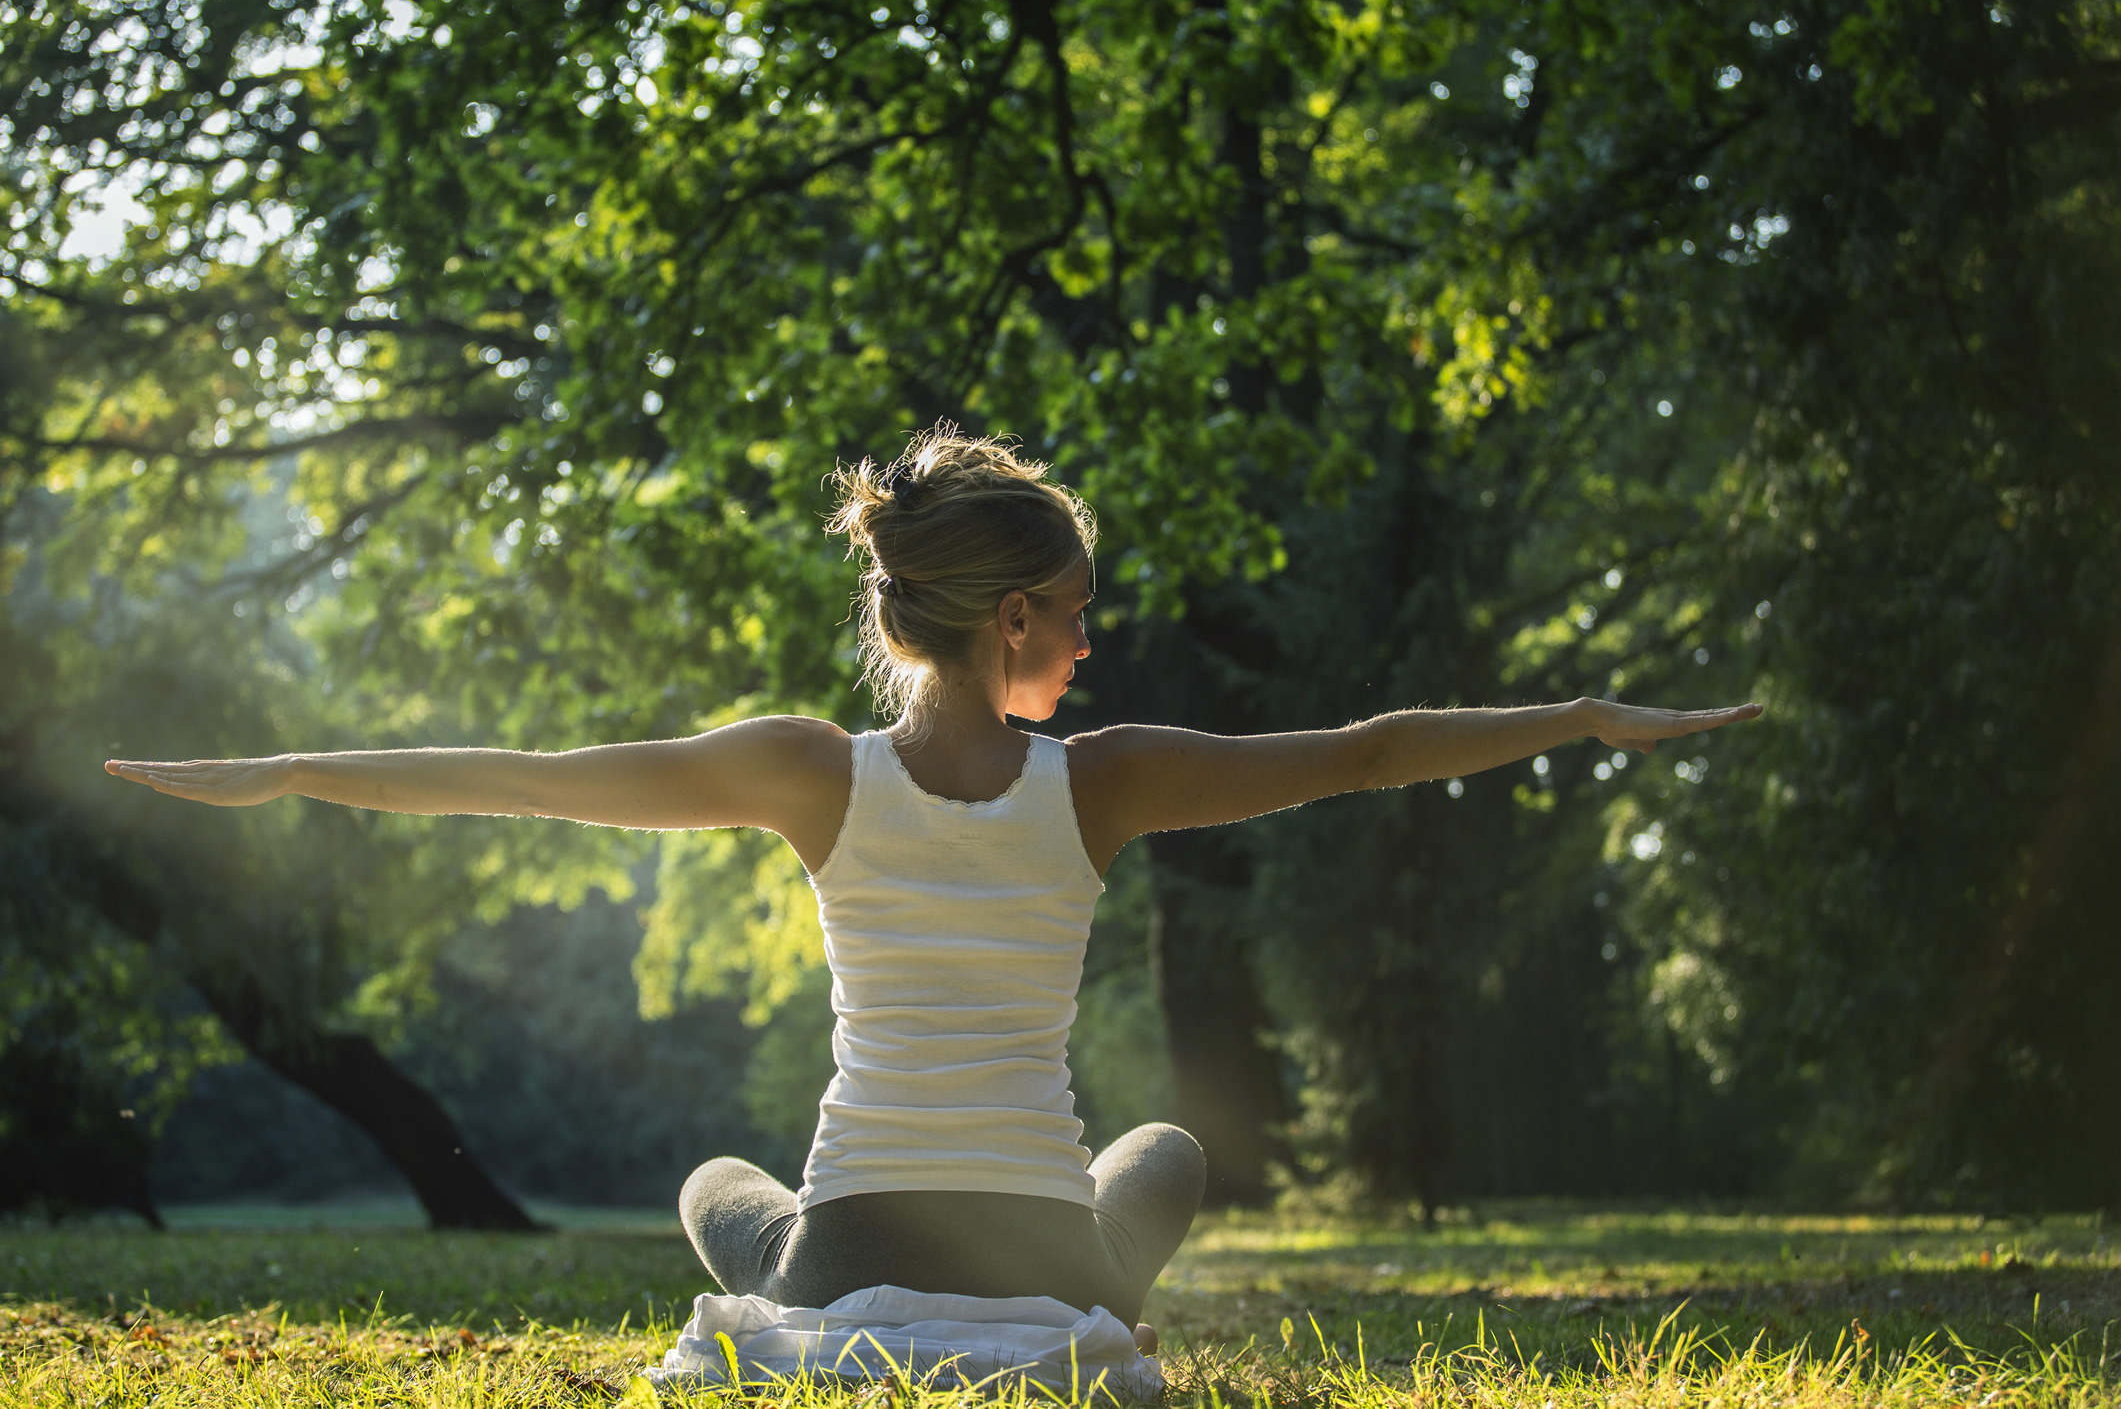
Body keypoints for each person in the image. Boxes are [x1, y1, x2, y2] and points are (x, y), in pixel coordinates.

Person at [105, 425, 1761, 1350]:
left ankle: (806, 1273)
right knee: (1167, 1149)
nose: (1094, 637)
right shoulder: (1102, 781)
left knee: (714, 1184)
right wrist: (1585, 717)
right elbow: (1370, 745)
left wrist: (298, 769)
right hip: (1054, 1263)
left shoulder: (808, 770)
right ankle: (1045, 1286)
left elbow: (536, 780)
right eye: (1078, 608)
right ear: (1008, 618)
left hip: (839, 1252)